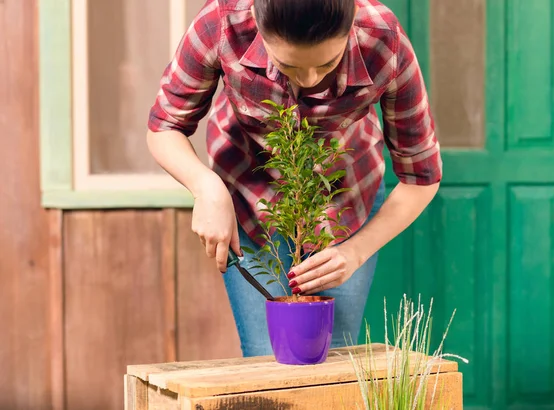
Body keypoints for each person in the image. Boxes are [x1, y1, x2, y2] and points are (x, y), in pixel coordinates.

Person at [146, 0, 441, 357]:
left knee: (334, 360)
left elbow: (420, 175)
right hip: (248, 200)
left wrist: (355, 252)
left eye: (328, 63)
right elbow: (165, 126)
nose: (309, 80)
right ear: (256, 20)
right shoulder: (222, 22)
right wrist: (206, 187)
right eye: (287, 65)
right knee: (268, 357)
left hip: (344, 202)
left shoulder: (383, 40)